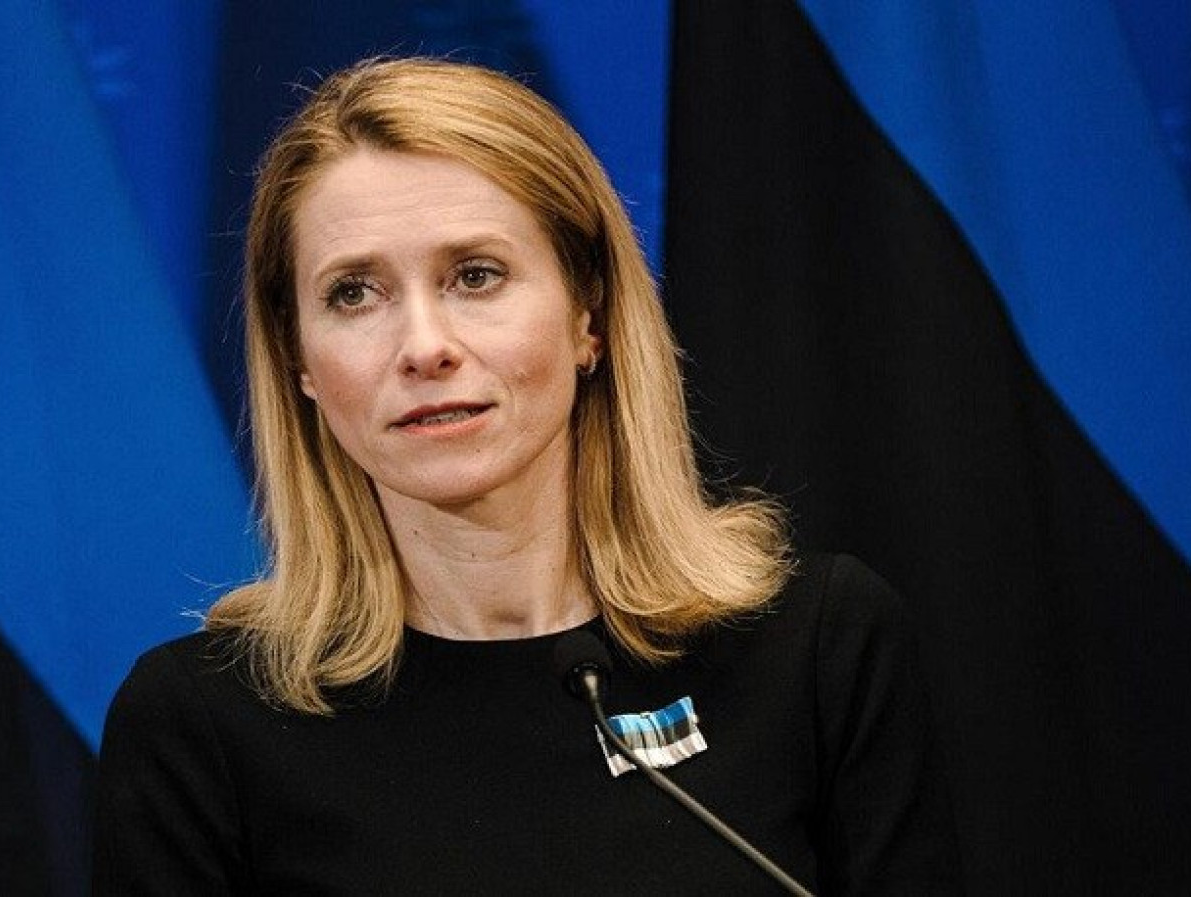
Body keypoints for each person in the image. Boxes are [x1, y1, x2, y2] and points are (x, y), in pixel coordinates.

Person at [92, 57, 961, 895]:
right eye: (354, 293)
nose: (424, 346)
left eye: (475, 276)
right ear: (300, 362)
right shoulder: (201, 728)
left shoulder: (816, 651)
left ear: (589, 315)